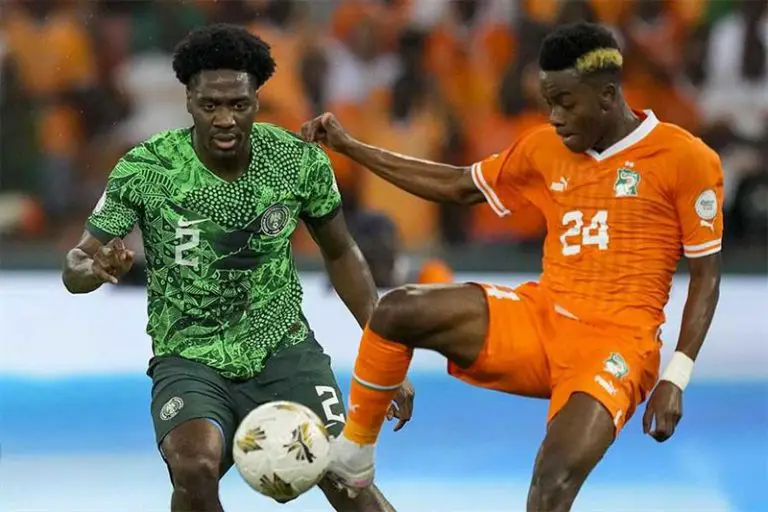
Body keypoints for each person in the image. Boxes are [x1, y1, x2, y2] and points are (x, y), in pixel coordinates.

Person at [302, 22, 723, 511]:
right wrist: (351, 147)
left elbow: (706, 277)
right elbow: (458, 185)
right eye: (548, 102)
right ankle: (354, 454)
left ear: (608, 95)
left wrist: (676, 375)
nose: (555, 117)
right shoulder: (542, 148)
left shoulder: (685, 158)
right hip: (540, 319)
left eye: (566, 103)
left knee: (552, 481)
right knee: (397, 310)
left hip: (617, 346)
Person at [61, 24, 413, 512]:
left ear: (257, 101)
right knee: (194, 469)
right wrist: (93, 267)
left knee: (342, 474)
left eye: (238, 104)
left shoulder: (297, 162)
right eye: (211, 105)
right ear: (189, 101)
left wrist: (384, 358)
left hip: (283, 348)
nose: (225, 119)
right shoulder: (145, 168)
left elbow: (341, 253)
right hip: (188, 356)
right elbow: (75, 265)